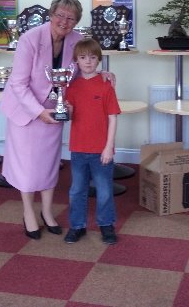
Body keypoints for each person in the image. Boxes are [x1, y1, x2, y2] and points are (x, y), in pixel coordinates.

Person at [0, 0, 83, 240]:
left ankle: (46, 212)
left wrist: (104, 74)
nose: (64, 21)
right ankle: (28, 212)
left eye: (71, 18)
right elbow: (18, 83)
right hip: (26, 111)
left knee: (48, 164)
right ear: (51, 14)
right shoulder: (30, 38)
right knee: (27, 167)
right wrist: (38, 112)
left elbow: (83, 71)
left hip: (54, 110)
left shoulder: (77, 41)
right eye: (60, 15)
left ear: (76, 21)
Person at [63, 38, 121, 245]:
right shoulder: (72, 86)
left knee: (104, 190)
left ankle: (106, 225)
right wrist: (65, 109)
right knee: (77, 190)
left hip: (101, 150)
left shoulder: (106, 86)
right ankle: (77, 226)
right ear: (76, 61)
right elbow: (69, 115)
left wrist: (109, 147)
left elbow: (113, 117)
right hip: (78, 149)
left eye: (93, 57)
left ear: (99, 60)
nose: (88, 61)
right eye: (83, 57)